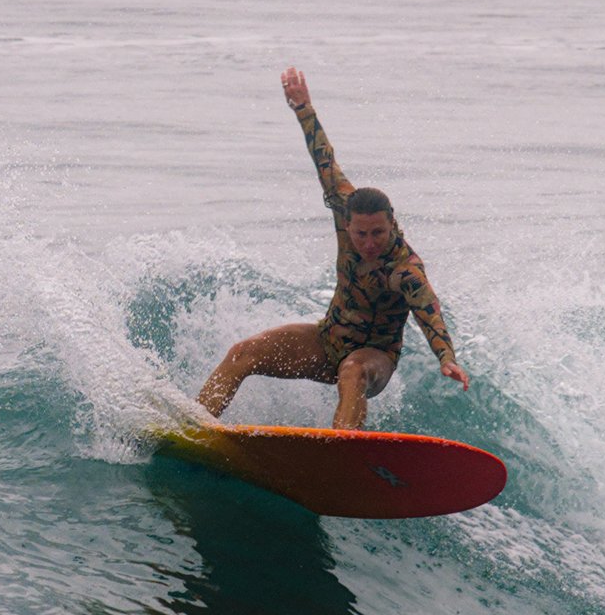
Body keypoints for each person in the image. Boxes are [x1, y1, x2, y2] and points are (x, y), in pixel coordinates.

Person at [196, 67, 469, 430]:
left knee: (352, 370)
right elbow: (324, 159)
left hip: (374, 360)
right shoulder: (344, 208)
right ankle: (193, 425)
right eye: (361, 234)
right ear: (348, 223)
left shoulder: (405, 268)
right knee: (244, 353)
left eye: (378, 233)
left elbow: (428, 311)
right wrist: (303, 108)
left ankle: (342, 448)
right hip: (328, 341)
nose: (369, 243)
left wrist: (446, 357)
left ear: (391, 223)